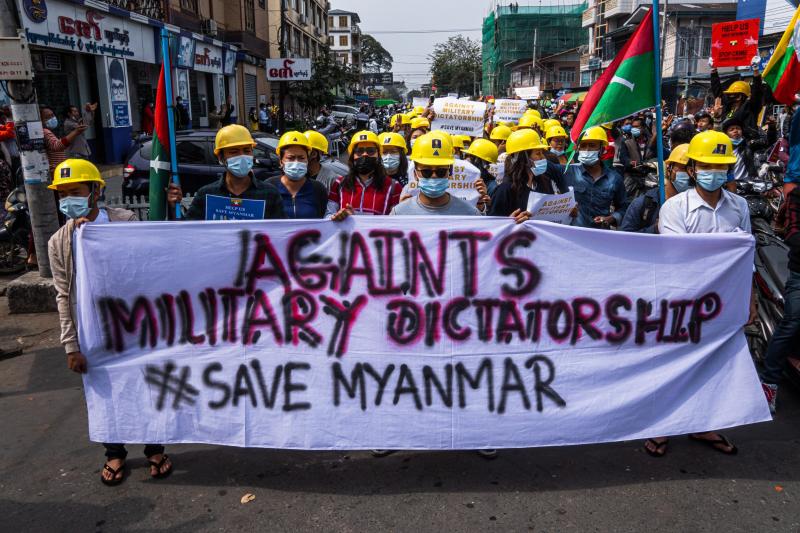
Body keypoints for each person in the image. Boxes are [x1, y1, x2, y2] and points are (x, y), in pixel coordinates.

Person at [47, 159, 172, 486]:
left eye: (75, 192)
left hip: (134, 325)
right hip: (93, 331)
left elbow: (149, 266)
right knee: (105, 392)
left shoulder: (125, 222)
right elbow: (64, 294)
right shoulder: (58, 242)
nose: (68, 199)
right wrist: (70, 344)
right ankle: (114, 452)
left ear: (95, 191)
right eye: (62, 194)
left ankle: (154, 448)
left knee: (146, 386)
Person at [648, 130, 752, 456]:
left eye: (721, 166)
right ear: (692, 168)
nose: (714, 172)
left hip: (725, 301)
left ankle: (703, 424)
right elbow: (681, 257)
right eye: (707, 165)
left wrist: (750, 296)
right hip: (683, 300)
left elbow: (747, 254)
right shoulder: (675, 208)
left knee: (714, 364)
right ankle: (662, 427)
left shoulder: (739, 207)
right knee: (674, 365)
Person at [167, 124, 285, 220]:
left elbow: (280, 233)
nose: (242, 156)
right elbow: (188, 233)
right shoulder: (207, 194)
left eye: (247, 150)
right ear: (221, 158)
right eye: (234, 152)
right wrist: (173, 207)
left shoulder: (270, 193)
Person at [760, 185, 800, 413]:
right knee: (794, 320)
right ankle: (769, 383)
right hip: (799, 271)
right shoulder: (797, 195)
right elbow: (793, 233)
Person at [550, 126, 629, 228]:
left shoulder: (614, 178)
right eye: (583, 146)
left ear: (602, 149)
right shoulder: (567, 171)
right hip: (572, 236)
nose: (587, 150)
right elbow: (539, 164)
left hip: (600, 235)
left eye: (592, 145)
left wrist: (611, 218)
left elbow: (623, 207)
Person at [326, 130, 403, 219]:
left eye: (371, 151)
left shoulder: (393, 187)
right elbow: (328, 215)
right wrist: (337, 216)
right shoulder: (339, 183)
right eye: (359, 151)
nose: (365, 155)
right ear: (352, 156)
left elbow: (397, 222)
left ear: (378, 156)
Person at [490, 129, 562, 217]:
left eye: (542, 153)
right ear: (523, 158)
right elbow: (494, 226)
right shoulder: (505, 190)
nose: (543, 158)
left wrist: (566, 212)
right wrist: (510, 221)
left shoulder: (545, 184)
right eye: (538, 153)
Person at [266, 132, 327, 218]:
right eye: (290, 158)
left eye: (301, 158)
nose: (296, 162)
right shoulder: (269, 186)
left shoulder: (318, 189)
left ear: (307, 161)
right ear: (281, 161)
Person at [710, 56, 764, 138]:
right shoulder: (727, 107)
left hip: (745, 143)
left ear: (742, 96)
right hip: (726, 142)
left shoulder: (751, 107)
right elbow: (717, 93)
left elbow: (757, 91)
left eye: (735, 94)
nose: (731, 96)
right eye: (730, 94)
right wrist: (713, 70)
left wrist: (756, 69)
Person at [41, 105, 89, 177]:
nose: (52, 118)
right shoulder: (45, 131)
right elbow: (57, 146)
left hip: (60, 169)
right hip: (58, 171)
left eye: (52, 115)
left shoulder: (47, 131)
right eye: (47, 117)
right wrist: (76, 132)